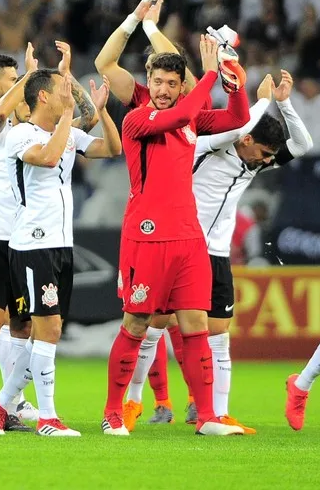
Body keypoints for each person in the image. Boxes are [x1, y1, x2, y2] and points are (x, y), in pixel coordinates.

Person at [123, 70, 310, 433]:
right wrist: (259, 101)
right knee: (154, 325)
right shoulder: (214, 144)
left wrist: (283, 103)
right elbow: (239, 123)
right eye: (263, 152)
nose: (266, 160)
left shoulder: (256, 160)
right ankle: (133, 399)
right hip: (177, 242)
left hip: (216, 253)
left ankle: (218, 413)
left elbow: (302, 145)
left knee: (219, 335)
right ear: (247, 139)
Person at [101, 35, 251, 437]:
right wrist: (207, 77)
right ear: (148, 81)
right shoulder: (138, 119)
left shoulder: (191, 119)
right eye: (158, 82)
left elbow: (238, 120)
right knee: (136, 324)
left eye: (172, 83)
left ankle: (207, 417)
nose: (163, 90)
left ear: (180, 86)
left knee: (196, 326)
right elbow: (175, 116)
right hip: (146, 237)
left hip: (188, 238)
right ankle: (114, 411)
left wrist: (234, 85)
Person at [0, 43, 120, 437]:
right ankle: (47, 417)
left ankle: (1, 403)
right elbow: (46, 157)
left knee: (50, 330)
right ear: (43, 96)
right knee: (48, 331)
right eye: (62, 87)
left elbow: (111, 148)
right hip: (32, 245)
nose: (68, 92)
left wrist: (99, 108)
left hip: (60, 245)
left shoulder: (62, 132)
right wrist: (70, 114)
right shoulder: (20, 134)